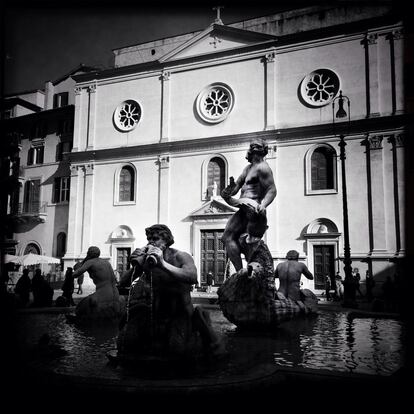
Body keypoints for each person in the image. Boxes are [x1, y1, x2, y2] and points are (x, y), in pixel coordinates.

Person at [118, 224, 224, 356]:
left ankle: (200, 326)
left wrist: (162, 264)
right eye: (149, 238)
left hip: (179, 313)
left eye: (156, 238)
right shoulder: (147, 260)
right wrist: (135, 266)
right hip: (155, 314)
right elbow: (122, 283)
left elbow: (192, 276)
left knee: (176, 350)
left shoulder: (180, 256)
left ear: (166, 240)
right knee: (126, 343)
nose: (151, 242)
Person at [221, 138, 277, 271]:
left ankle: (252, 270)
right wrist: (228, 192)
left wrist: (263, 205)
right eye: (251, 147)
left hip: (254, 208)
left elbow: (272, 190)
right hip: (242, 207)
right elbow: (237, 186)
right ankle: (240, 272)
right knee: (226, 238)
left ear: (262, 150)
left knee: (248, 241)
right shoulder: (248, 168)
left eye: (256, 147)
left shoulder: (263, 168)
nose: (252, 149)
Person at [72, 246, 122, 319]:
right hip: (115, 293)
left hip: (103, 294)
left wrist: (71, 273)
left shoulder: (90, 262)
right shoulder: (106, 262)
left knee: (80, 307)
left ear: (89, 254)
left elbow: (76, 274)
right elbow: (114, 279)